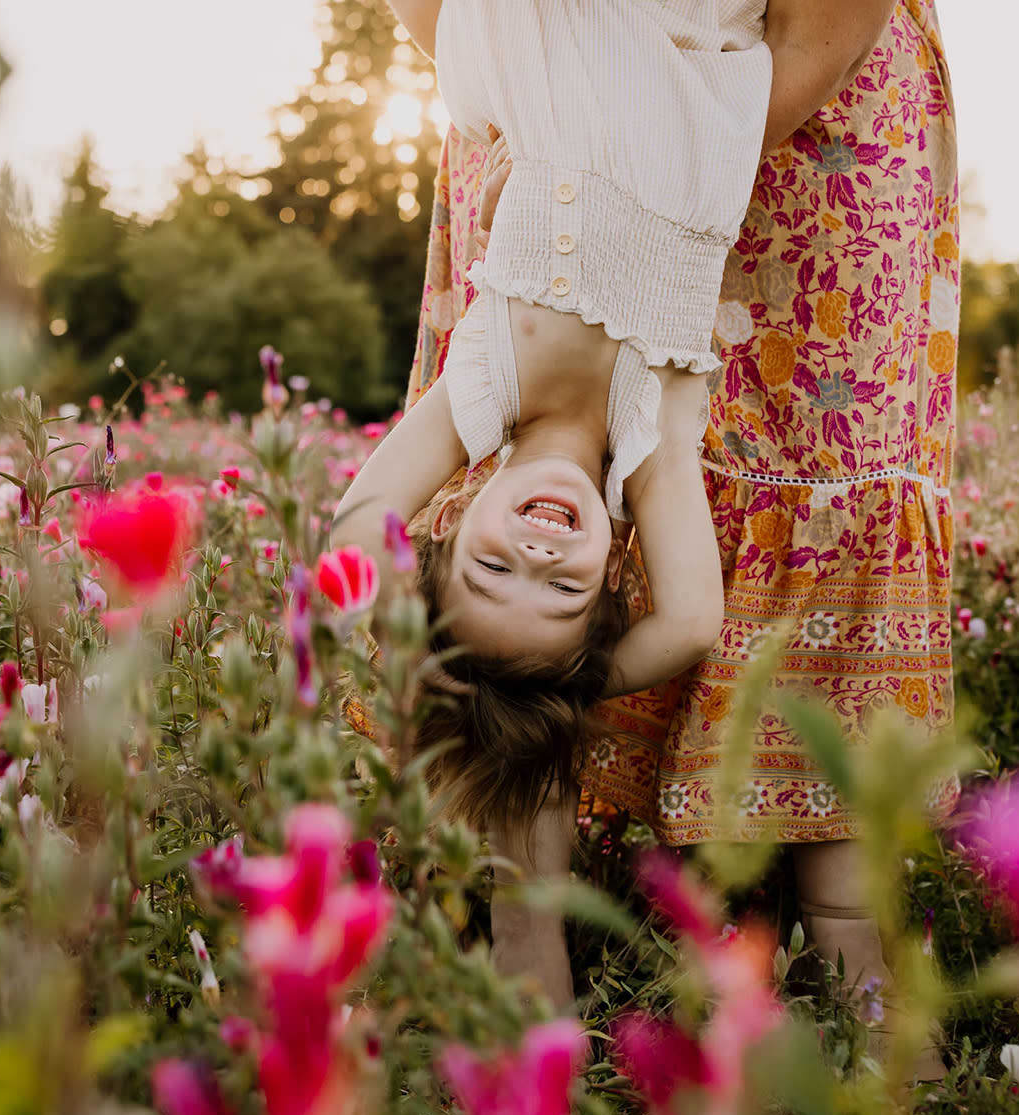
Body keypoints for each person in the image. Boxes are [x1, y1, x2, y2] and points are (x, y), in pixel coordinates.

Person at [405, 0, 959, 1045]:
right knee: (505, 484)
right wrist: (536, 91)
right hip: (555, 96)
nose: (536, 554)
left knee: (822, 465)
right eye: (560, 587)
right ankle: (527, 924)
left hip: (793, 74)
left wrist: (668, 167)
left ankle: (855, 953)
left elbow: (360, 518)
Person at [332, 0, 787, 831]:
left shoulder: (483, 391)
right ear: (605, 585)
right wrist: (566, 685)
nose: (537, 554)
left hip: (562, 46)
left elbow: (349, 538)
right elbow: (689, 626)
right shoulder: (651, 447)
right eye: (563, 587)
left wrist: (420, 658)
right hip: (683, 46)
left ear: (447, 532)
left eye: (494, 571)